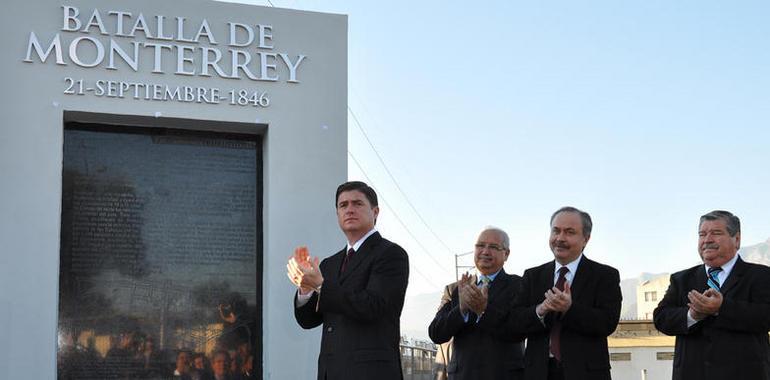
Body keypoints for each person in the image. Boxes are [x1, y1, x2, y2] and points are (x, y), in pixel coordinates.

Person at [287, 181, 410, 380]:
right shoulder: (329, 264)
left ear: (375, 211)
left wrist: (320, 285)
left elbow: (373, 306)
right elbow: (308, 320)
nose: (349, 209)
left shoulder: (391, 254)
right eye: (343, 205)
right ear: (337, 214)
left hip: (372, 373)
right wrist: (305, 289)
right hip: (330, 372)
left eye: (357, 203)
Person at [654, 210, 770, 380]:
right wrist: (692, 315)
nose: (707, 240)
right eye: (702, 234)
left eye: (716, 233)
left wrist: (721, 308)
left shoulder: (761, 276)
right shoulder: (681, 279)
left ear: (736, 239)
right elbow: (661, 319)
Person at [509, 206, 621, 380]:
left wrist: (570, 308)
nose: (560, 238)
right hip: (538, 372)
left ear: (586, 239)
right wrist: (540, 310)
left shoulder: (605, 275)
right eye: (556, 231)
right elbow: (515, 322)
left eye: (569, 232)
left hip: (586, 373)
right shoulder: (533, 276)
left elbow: (607, 323)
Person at [428, 227, 525, 379]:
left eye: (493, 247)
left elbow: (518, 330)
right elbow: (436, 333)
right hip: (462, 374)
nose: (485, 251)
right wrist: (461, 309)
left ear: (506, 254)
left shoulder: (519, 285)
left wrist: (483, 311)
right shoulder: (454, 290)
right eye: (480, 246)